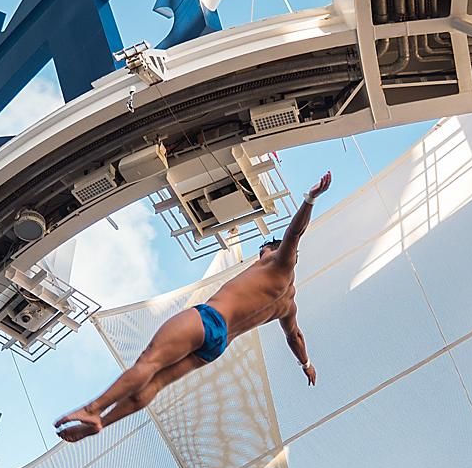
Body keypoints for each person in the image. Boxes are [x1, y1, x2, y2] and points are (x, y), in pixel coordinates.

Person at [54, 172, 333, 442]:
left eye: (261, 254)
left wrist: (310, 199)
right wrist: (306, 364)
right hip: (216, 347)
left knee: (149, 362)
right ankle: (103, 423)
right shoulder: (287, 307)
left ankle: (93, 409)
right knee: (156, 383)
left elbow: (294, 233)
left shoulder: (278, 263)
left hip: (209, 319)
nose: (258, 260)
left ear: (275, 252)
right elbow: (295, 337)